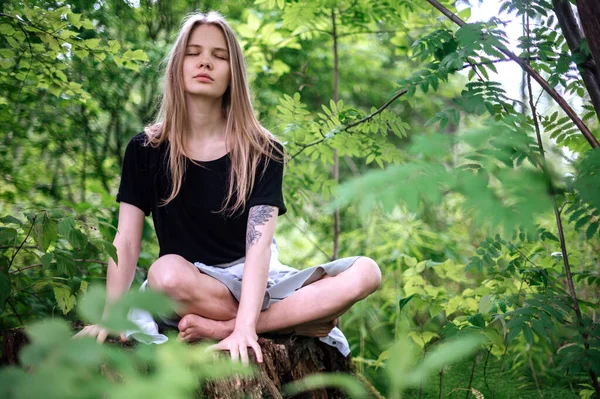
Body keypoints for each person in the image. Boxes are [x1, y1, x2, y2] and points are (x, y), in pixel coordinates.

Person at [75, 11, 381, 365]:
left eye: (219, 56)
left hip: (258, 281)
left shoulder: (263, 150)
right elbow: (126, 240)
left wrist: (244, 328)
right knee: (164, 273)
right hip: (192, 287)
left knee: (366, 272)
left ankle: (229, 326)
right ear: (177, 65)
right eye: (194, 52)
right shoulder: (146, 149)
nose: (206, 61)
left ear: (233, 73)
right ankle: (295, 318)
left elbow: (259, 246)